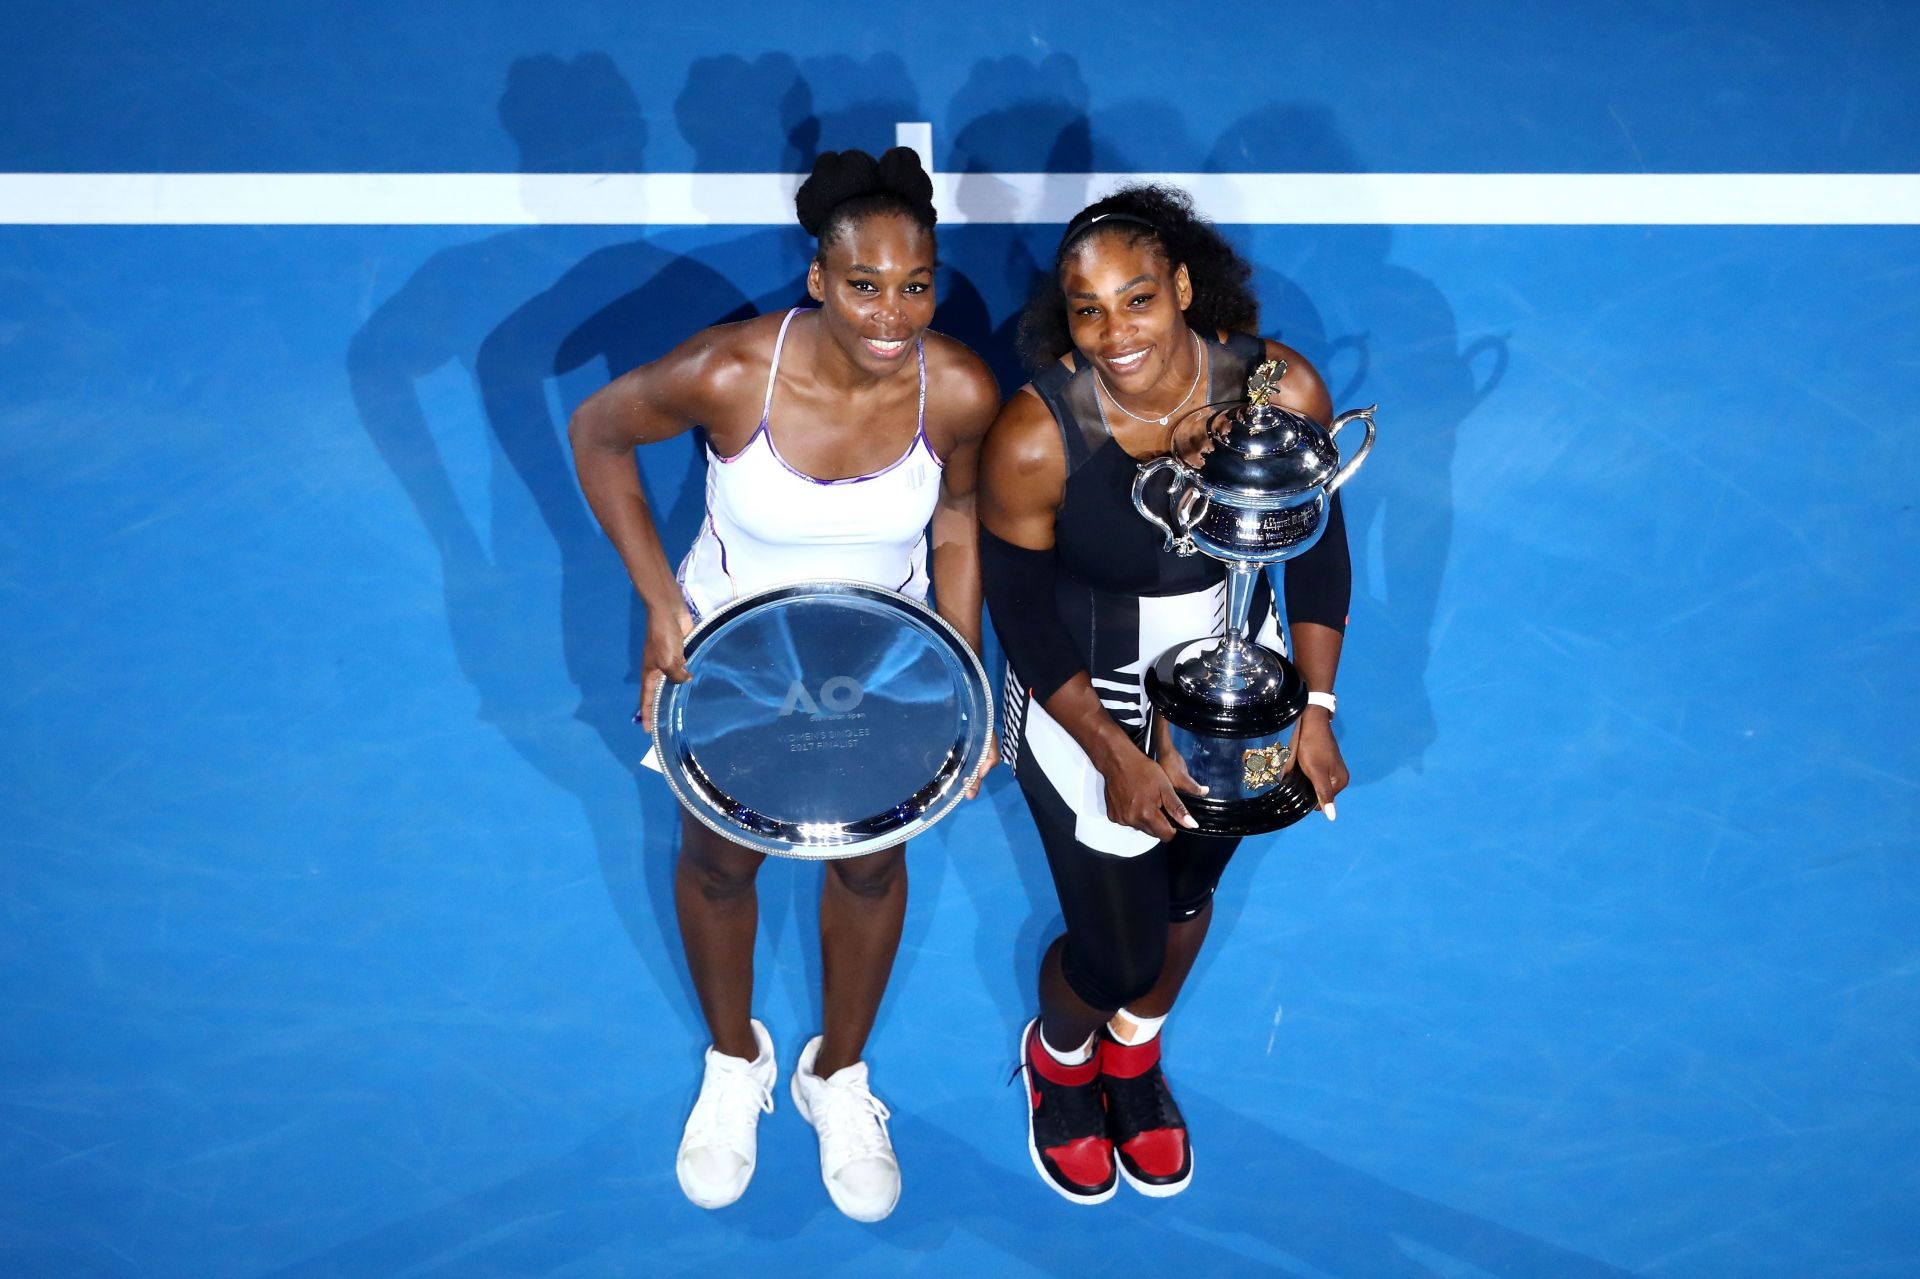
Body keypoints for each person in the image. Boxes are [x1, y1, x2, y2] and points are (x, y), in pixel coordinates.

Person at [567, 147, 998, 1222]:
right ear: (818, 278)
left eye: (915, 285)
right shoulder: (727, 372)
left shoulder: (957, 388)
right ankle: (733, 1061)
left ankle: (836, 1077)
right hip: (734, 661)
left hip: (887, 667)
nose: (892, 311)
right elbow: (598, 433)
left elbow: (956, 522)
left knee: (868, 867)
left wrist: (963, 677)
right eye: (864, 285)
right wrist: (661, 602)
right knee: (719, 864)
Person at [979, 185, 1353, 1204]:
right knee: (1114, 950)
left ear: (1183, 287)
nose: (1115, 331)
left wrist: (1313, 709)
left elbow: (1317, 559)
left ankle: (1134, 1056)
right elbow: (1017, 607)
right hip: (1082, 693)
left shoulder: (1278, 389)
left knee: (1189, 890)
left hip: (1241, 676)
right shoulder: (1035, 433)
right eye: (1089, 308)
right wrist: (1115, 751)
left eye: (1137, 299)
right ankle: (1062, 1058)